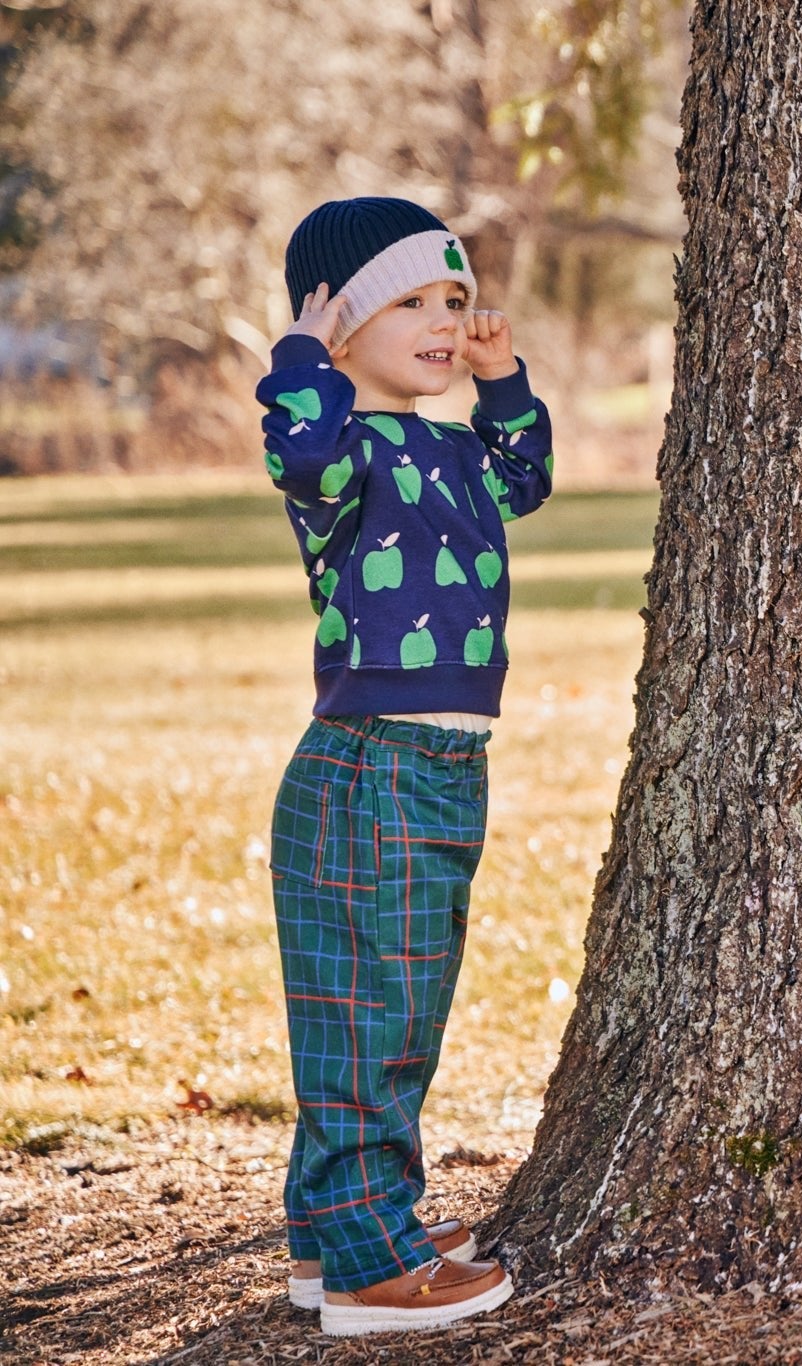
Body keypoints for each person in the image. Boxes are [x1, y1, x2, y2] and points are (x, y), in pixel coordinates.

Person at [258, 196, 553, 1334]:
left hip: (441, 765)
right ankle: (370, 1267)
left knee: (396, 1015)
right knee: (366, 1022)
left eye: (454, 299)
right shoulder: (335, 451)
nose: (444, 320)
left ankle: (329, 1231)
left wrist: (502, 375)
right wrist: (298, 355)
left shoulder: (450, 445)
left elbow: (523, 478)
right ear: (339, 325)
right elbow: (300, 444)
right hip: (367, 767)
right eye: (412, 303)